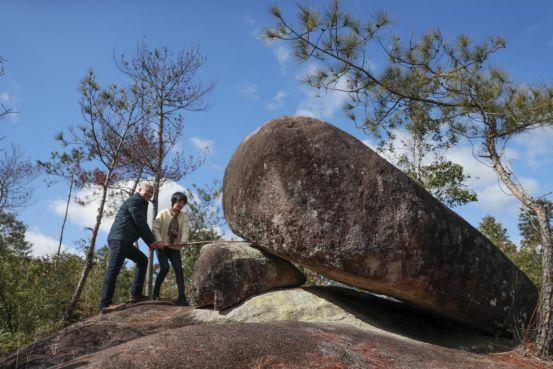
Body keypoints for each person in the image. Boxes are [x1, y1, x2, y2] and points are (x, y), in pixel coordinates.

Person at [99, 182, 165, 312]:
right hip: (119, 238)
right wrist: (152, 242)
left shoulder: (142, 203)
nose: (150, 194)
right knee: (113, 269)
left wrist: (153, 242)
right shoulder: (135, 201)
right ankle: (105, 304)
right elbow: (140, 223)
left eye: (152, 192)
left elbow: (140, 226)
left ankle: (136, 294)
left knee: (142, 260)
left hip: (126, 241)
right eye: (148, 190)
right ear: (139, 189)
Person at [152, 191, 190, 306]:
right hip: (162, 247)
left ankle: (182, 297)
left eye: (183, 202)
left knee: (179, 270)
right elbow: (155, 227)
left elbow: (185, 229)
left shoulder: (183, 217)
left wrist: (184, 240)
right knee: (164, 268)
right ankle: (155, 294)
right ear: (174, 201)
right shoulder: (163, 213)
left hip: (175, 248)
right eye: (179, 201)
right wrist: (159, 241)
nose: (181, 204)